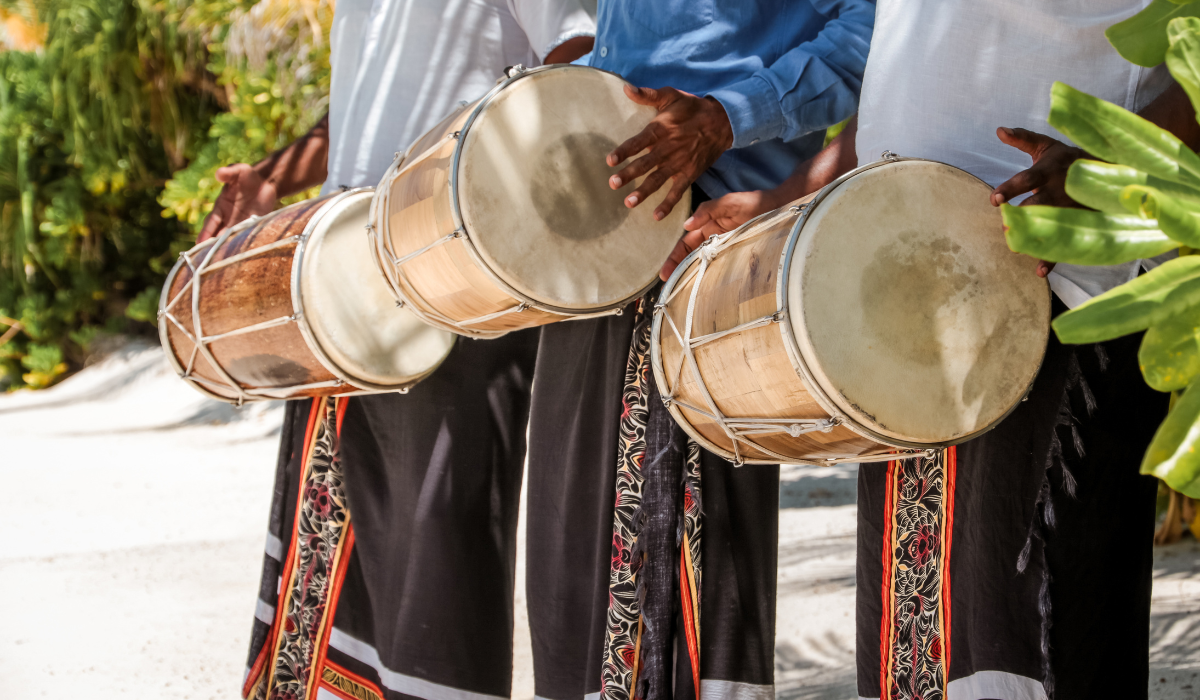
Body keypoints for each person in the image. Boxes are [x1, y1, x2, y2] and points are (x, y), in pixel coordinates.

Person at [669, 2, 1200, 698]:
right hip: (907, 275)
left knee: (1038, 639)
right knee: (916, 652)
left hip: (1063, 282)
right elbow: (907, 67)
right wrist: (791, 193)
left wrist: (1106, 163)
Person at [203, 2, 597, 699]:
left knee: (438, 547)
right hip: (344, 268)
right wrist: (273, 176)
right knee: (347, 531)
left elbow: (577, 47)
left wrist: (475, 181)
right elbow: (372, 99)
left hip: (454, 268)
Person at [522, 3, 875, 699]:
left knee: (682, 595)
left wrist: (724, 118)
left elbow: (871, 39)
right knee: (569, 562)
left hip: (705, 243)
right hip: (592, 234)